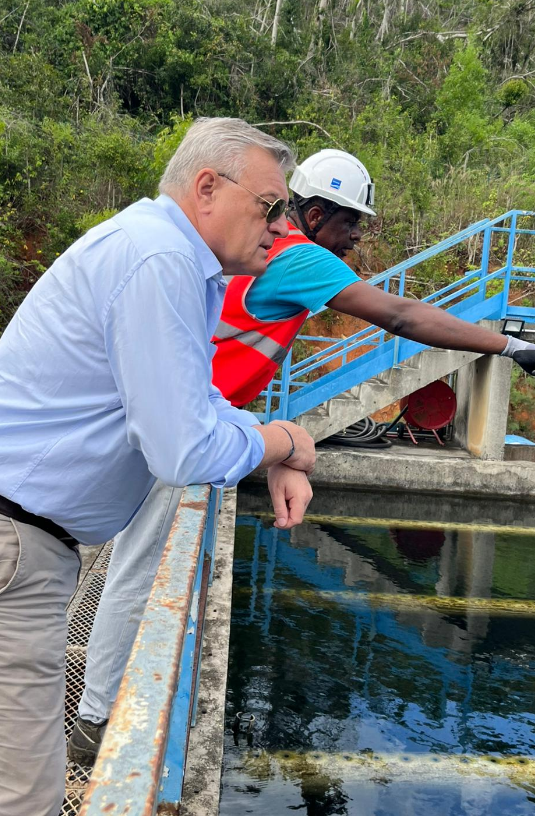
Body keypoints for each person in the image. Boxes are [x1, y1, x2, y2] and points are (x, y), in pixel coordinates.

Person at [68, 147, 535, 768]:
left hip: (184, 415)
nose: (357, 236)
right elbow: (401, 315)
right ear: (313, 214)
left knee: (135, 567)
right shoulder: (297, 256)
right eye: (350, 221)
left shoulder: (256, 254)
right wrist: (510, 346)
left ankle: (102, 713)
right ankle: (98, 724)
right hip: (184, 427)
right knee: (141, 573)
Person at [0, 118, 316, 816]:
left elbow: (197, 401)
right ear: (207, 187)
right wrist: (281, 443)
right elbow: (181, 450)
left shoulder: (170, 258)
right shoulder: (161, 260)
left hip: (25, 539)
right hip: (16, 547)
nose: (280, 226)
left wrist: (281, 442)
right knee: (25, 796)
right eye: (270, 206)